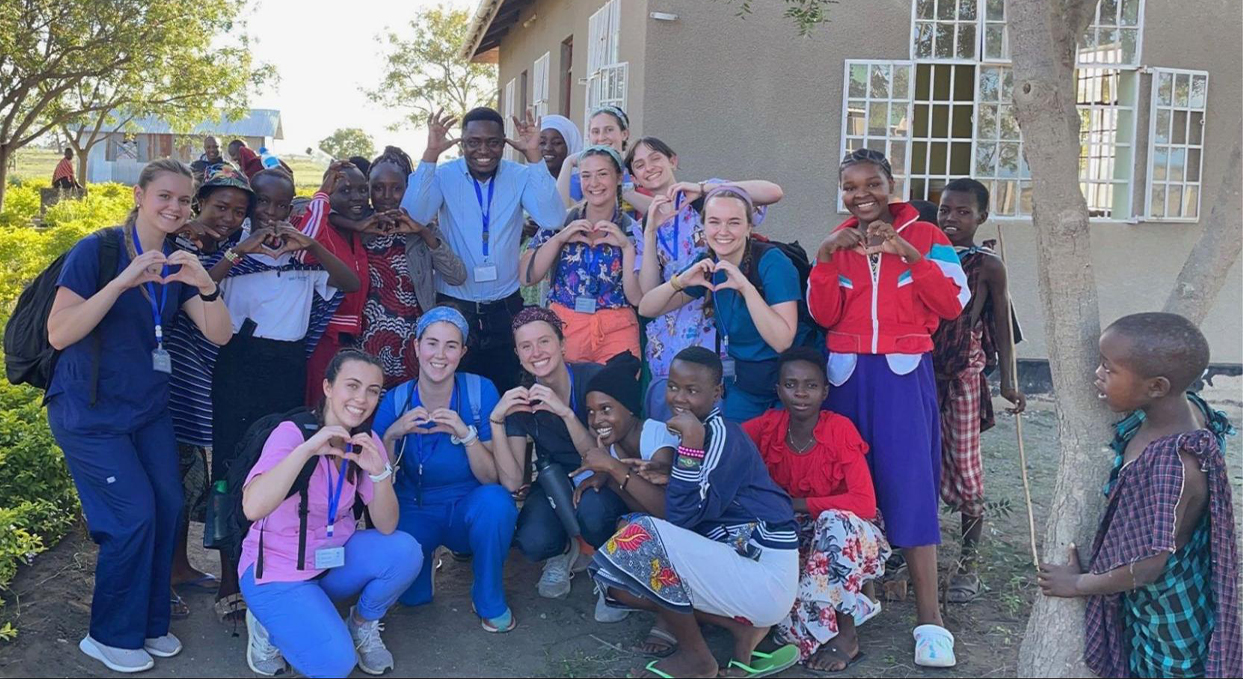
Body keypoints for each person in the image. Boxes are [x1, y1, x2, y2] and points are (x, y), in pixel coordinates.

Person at [44, 158, 232, 673]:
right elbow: (59, 333)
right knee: (131, 517)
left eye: (182, 199)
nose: (174, 207)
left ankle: (148, 624)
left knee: (168, 508)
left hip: (148, 411)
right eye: (164, 196)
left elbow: (220, 333)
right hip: (91, 410)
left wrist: (205, 284)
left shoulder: (177, 260)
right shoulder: (98, 250)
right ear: (139, 195)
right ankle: (107, 635)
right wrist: (122, 282)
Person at [806, 148, 969, 668]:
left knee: (910, 484)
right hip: (847, 376)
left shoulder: (927, 236)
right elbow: (823, 313)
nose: (862, 195)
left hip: (903, 375)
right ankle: (853, 611)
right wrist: (827, 256)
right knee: (851, 487)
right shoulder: (837, 240)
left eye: (872, 184)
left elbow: (951, 305)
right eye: (851, 187)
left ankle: (931, 622)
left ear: (891, 184)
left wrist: (908, 255)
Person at [1038, 313, 1240, 679]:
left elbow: (1148, 567)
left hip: (1169, 617)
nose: (1097, 375)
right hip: (1158, 604)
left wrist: (1078, 584)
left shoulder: (1170, 466)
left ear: (1157, 387)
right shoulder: (1185, 409)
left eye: (1109, 369)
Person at [589, 347, 801, 679]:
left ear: (717, 393)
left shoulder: (721, 435)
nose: (679, 398)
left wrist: (689, 441)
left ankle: (697, 659)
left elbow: (682, 517)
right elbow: (696, 502)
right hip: (739, 566)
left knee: (640, 538)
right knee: (619, 580)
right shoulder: (703, 432)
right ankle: (739, 629)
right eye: (673, 387)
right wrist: (663, 472)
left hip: (764, 577)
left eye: (692, 390)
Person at [208, 167, 361, 622]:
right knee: (230, 468)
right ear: (248, 207)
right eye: (262, 204)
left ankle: (276, 565)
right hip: (238, 371)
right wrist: (240, 252)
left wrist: (310, 245)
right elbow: (201, 286)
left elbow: (348, 284)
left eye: (282, 205)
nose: (272, 213)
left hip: (287, 373)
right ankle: (228, 576)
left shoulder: (303, 265)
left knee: (283, 466)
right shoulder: (230, 259)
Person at [239, 349, 420, 678]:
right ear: (327, 387)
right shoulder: (291, 434)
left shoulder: (367, 441)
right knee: (336, 664)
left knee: (406, 551)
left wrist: (379, 474)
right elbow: (252, 507)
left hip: (330, 561)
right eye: (352, 386)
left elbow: (387, 524)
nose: (361, 399)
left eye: (372, 391)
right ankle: (267, 626)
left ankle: (360, 624)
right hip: (277, 569)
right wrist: (307, 449)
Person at [370, 307, 519, 633]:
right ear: (416, 346)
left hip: (467, 505)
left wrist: (466, 435)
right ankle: (422, 565)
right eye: (432, 343)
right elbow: (377, 479)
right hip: (415, 508)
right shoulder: (396, 399)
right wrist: (393, 433)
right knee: (414, 600)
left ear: (463, 352)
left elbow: (491, 478)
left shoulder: (480, 391)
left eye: (451, 345)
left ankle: (488, 595)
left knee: (497, 502)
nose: (440, 355)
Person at [743, 348, 890, 671]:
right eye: (791, 384)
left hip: (853, 537)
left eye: (810, 385)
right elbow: (725, 443)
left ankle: (847, 634)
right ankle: (811, 627)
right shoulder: (768, 427)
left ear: (825, 391)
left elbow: (864, 503)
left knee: (833, 523)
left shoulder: (839, 430)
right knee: (794, 637)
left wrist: (797, 504)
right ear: (778, 389)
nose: (800, 393)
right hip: (798, 534)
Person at [403, 107, 566, 395]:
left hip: (505, 307)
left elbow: (553, 218)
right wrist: (430, 154)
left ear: (504, 143)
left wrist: (534, 158)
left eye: (492, 142)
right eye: (473, 142)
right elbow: (413, 215)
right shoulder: (444, 175)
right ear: (462, 143)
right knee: (454, 395)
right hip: (454, 305)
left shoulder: (520, 175)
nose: (483, 150)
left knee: (506, 394)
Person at [626, 137, 785, 419]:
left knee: (716, 420)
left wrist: (702, 189)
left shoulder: (710, 197)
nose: (649, 168)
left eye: (655, 159)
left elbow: (772, 192)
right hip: (670, 337)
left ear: (672, 159)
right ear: (634, 176)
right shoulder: (641, 225)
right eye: (639, 165)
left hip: (714, 325)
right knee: (672, 423)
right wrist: (650, 231)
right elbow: (648, 294)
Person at [930, 178, 1026, 604]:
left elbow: (1003, 326)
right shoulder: (924, 253)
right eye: (945, 210)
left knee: (966, 470)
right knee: (918, 464)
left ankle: (968, 561)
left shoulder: (987, 265)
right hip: (918, 374)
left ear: (982, 217)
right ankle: (910, 552)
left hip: (964, 376)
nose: (951, 218)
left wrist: (1008, 380)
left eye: (963, 212)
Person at [638, 185, 810, 421]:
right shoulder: (707, 263)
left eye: (734, 222)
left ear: (749, 227)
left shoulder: (772, 262)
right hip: (744, 383)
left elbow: (782, 341)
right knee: (737, 448)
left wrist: (746, 288)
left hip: (786, 385)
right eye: (714, 222)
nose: (723, 231)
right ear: (704, 225)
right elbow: (647, 308)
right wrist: (679, 281)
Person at [487, 307, 610, 600]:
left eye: (544, 341)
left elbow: (600, 457)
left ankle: (611, 570)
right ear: (517, 354)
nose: (536, 352)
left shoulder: (593, 379)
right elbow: (513, 482)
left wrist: (566, 413)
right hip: (554, 478)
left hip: (600, 475)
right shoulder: (522, 398)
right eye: (525, 346)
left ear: (562, 344)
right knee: (533, 541)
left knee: (594, 515)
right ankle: (565, 550)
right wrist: (496, 421)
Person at [565, 351, 677, 623]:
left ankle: (666, 605)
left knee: (629, 527)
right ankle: (615, 576)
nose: (597, 420)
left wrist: (613, 471)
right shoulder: (611, 443)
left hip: (675, 529)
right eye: (590, 412)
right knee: (591, 502)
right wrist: (603, 477)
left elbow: (664, 512)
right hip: (639, 517)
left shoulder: (658, 436)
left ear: (628, 408)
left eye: (606, 409)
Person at [356, 146, 465, 387]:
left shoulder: (422, 231)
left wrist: (423, 232)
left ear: (408, 189)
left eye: (396, 188)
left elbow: (457, 276)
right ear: (368, 188)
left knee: (409, 405)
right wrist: (358, 230)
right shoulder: (358, 228)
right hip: (365, 337)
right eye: (378, 187)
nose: (387, 195)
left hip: (413, 340)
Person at [521, 145, 642, 363]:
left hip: (617, 331)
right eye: (586, 176)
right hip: (564, 328)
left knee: (612, 396)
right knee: (564, 397)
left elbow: (637, 298)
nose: (594, 183)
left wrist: (626, 248)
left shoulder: (632, 230)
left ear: (618, 178)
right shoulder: (561, 222)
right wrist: (560, 239)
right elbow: (527, 277)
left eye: (602, 174)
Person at [300, 162, 374, 405]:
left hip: (351, 342)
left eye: (363, 190)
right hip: (322, 339)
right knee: (321, 409)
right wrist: (322, 194)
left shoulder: (356, 232)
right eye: (344, 190)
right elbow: (301, 248)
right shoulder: (321, 230)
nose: (357, 197)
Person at [519, 115, 583, 307]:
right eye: (542, 142)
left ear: (570, 145)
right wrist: (523, 227)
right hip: (530, 267)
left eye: (557, 143)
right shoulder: (524, 179)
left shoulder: (583, 181)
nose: (548, 148)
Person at [557, 105, 633, 206]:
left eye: (609, 130)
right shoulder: (582, 178)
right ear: (589, 136)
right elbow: (558, 211)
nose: (601, 138)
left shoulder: (636, 172)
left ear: (624, 134)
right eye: (595, 132)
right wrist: (568, 162)